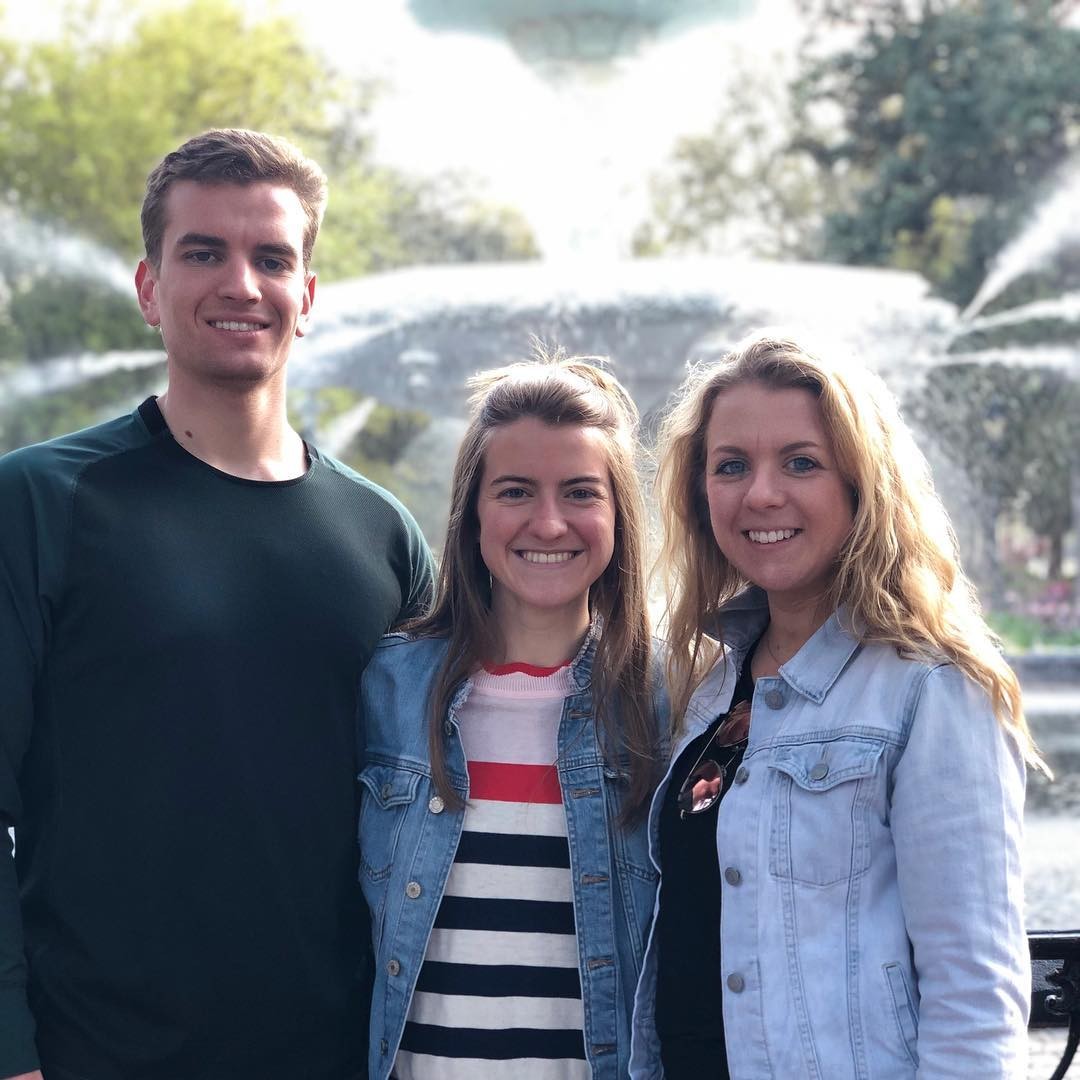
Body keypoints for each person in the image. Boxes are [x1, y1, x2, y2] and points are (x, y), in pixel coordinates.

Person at [0, 129, 433, 1080]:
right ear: (150, 287)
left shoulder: (386, 534)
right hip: (94, 1055)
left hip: (339, 1056)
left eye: (271, 258)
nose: (241, 283)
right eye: (204, 252)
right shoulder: (39, 502)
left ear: (306, 298)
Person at [629, 332, 1037, 1079]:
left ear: (861, 483)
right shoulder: (709, 687)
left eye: (801, 462)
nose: (761, 494)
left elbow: (975, 995)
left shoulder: (930, 688)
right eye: (731, 466)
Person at [357, 355, 665, 1080]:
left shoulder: (674, 701)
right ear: (472, 512)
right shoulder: (390, 689)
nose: (549, 522)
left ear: (619, 513)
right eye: (516, 491)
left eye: (580, 492)